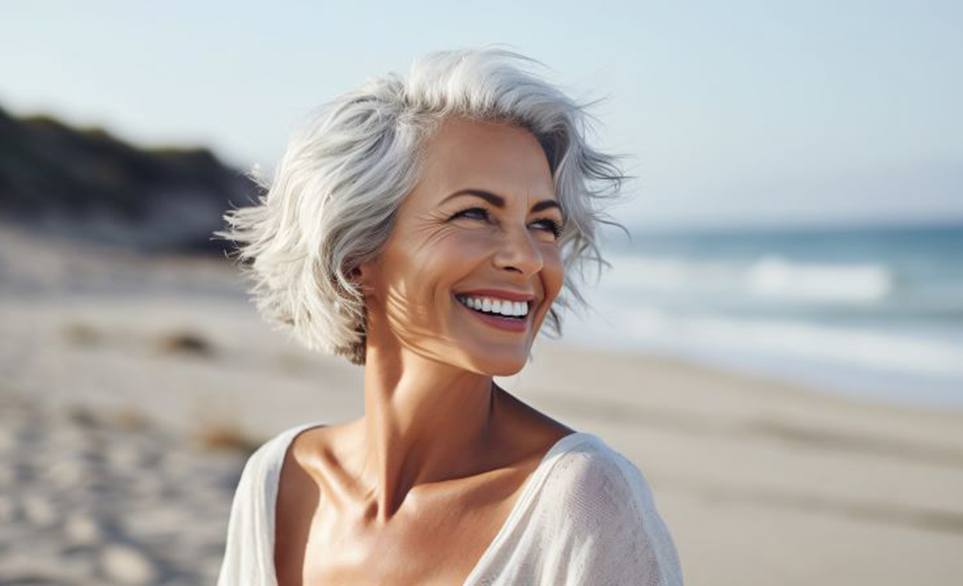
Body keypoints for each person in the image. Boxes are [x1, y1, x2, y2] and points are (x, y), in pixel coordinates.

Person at [215, 46, 684, 585]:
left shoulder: (583, 502)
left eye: (544, 223)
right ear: (357, 255)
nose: (528, 257)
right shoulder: (278, 482)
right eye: (475, 214)